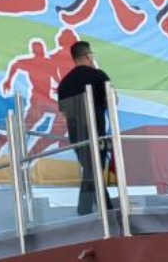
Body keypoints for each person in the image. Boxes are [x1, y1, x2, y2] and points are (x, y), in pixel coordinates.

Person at [56, 41, 113, 216]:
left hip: (77, 136)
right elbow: (112, 101)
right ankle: (88, 210)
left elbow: (64, 113)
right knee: (93, 170)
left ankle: (103, 209)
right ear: (88, 55)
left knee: (91, 171)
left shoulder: (64, 83)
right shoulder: (98, 76)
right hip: (97, 133)